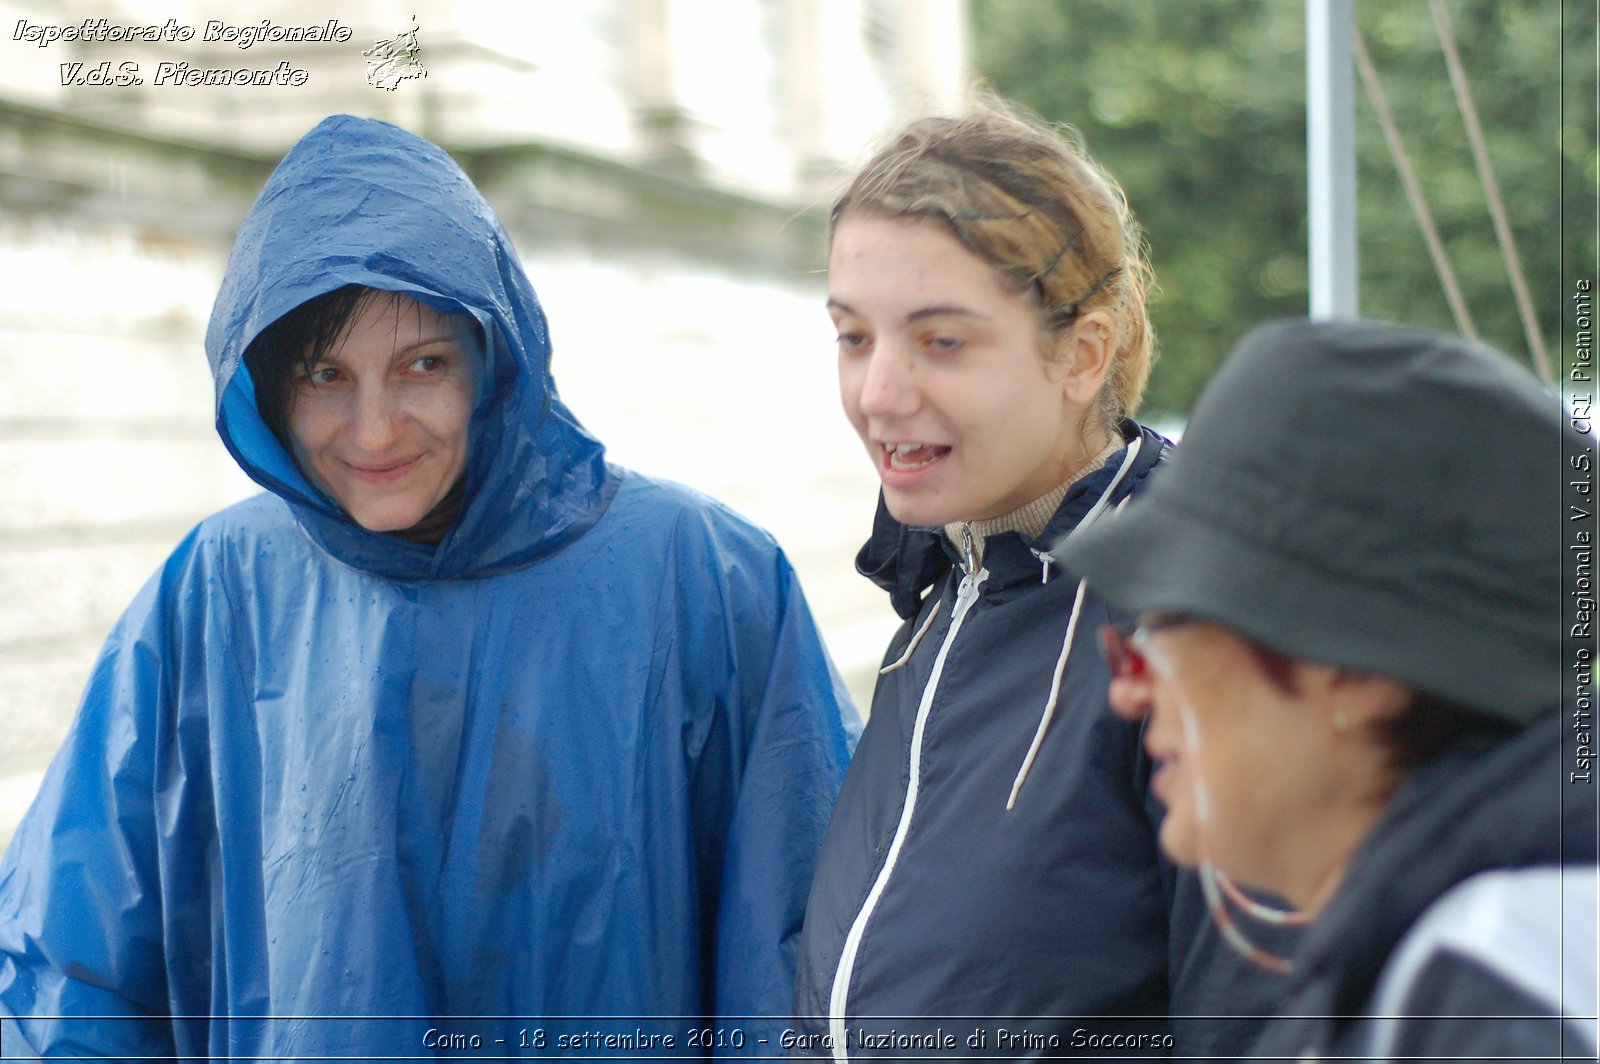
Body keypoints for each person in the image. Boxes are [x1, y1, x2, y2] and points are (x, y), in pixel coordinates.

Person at [0, 114, 858, 1059]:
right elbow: (73, 970)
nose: (374, 432)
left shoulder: (704, 580)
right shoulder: (219, 592)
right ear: (270, 390)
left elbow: (801, 961)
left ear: (495, 362)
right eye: (327, 374)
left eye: (422, 365)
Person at [791, 101, 1291, 1060]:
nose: (879, 392)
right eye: (854, 337)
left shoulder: (1198, 623)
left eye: (942, 341)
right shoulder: (941, 591)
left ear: (1082, 353)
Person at [1057, 317, 1598, 1061]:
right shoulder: (1453, 952)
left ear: (1358, 669)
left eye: (1169, 628)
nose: (1129, 693)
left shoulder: (1499, 984)